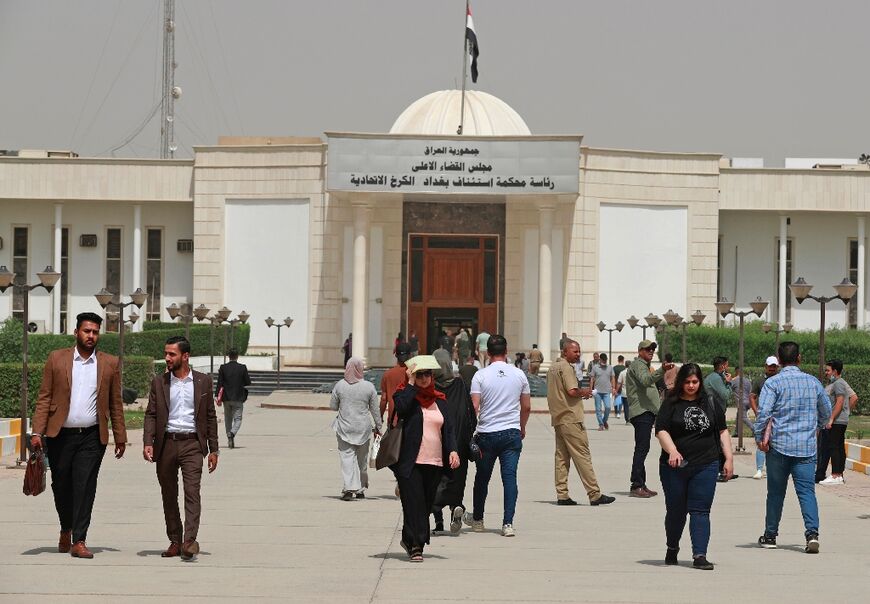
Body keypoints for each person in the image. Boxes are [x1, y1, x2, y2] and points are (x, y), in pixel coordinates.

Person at [30, 312, 127, 559]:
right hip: (59, 435)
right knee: (61, 485)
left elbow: (115, 403)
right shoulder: (57, 359)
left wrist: (120, 436)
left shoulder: (109, 363)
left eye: (95, 332)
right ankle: (66, 528)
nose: (91, 336)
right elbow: (45, 397)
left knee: (85, 486)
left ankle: (79, 539)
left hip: (92, 438)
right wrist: (37, 432)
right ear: (76, 333)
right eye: (87, 331)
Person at [143, 335, 219, 560]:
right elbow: (151, 413)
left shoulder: (203, 381)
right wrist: (148, 441)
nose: (167, 358)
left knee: (192, 492)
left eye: (171, 354)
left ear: (185, 356)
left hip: (192, 444)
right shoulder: (159, 382)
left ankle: (189, 541)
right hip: (166, 443)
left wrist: (213, 449)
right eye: (166, 353)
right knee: (168, 493)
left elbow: (210, 416)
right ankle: (174, 540)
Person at [755, 341, 831, 554]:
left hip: (779, 447)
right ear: (799, 358)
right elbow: (826, 412)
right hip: (806, 448)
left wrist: (760, 437)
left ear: (778, 360)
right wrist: (814, 428)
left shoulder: (773, 383)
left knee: (776, 493)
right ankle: (812, 534)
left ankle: (770, 535)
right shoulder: (813, 382)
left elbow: (764, 413)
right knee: (807, 492)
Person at [655, 363, 732, 570]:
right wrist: (672, 450)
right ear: (681, 382)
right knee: (676, 511)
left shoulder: (710, 402)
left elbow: (723, 431)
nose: (691, 386)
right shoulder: (670, 402)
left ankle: (699, 555)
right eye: (687, 382)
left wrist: (729, 458)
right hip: (674, 467)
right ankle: (672, 547)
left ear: (700, 382)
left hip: (706, 464)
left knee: (700, 510)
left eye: (695, 382)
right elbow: (661, 430)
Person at [390, 355, 459, 562]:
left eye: (427, 374)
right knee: (413, 504)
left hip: (435, 461)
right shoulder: (405, 395)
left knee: (426, 505)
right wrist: (410, 383)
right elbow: (400, 408)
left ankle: (409, 537)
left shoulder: (440, 399)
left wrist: (453, 450)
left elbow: (449, 429)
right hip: (410, 461)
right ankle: (416, 546)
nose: (424, 378)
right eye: (419, 374)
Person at [467, 335, 531, 537]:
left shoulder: (480, 376)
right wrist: (521, 427)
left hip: (487, 433)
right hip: (511, 432)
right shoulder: (519, 374)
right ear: (506, 351)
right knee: (510, 477)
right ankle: (508, 523)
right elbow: (526, 406)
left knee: (482, 478)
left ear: (487, 353)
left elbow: (474, 407)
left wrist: (468, 432)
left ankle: (478, 520)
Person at [546, 339, 616, 506]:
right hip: (571, 418)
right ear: (565, 352)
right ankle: (594, 493)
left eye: (579, 351)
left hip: (559, 418)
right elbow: (572, 390)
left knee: (562, 457)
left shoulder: (552, 368)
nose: (578, 354)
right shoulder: (566, 367)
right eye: (575, 351)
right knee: (582, 455)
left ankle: (562, 495)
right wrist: (585, 392)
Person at [430, 349, 477, 534]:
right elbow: (470, 414)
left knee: (436, 481)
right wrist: (470, 434)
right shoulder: (460, 384)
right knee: (457, 479)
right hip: (459, 443)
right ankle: (456, 507)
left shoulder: (431, 387)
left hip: (437, 443)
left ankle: (439, 523)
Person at [624, 340, 672, 498]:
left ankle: (641, 484)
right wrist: (661, 370)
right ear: (640, 351)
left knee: (642, 449)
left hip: (646, 412)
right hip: (642, 412)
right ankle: (636, 484)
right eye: (647, 349)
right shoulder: (639, 365)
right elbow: (645, 381)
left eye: (652, 349)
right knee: (641, 449)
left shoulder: (643, 365)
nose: (651, 351)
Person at [330, 357, 382, 500]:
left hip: (344, 428)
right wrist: (379, 426)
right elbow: (375, 410)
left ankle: (349, 488)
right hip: (363, 429)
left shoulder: (339, 385)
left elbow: (333, 406)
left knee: (347, 458)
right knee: (362, 460)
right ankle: (360, 489)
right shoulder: (369, 387)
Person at [816, 359, 856, 485]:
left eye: (828, 370)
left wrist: (832, 418)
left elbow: (839, 402)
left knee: (834, 447)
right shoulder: (837, 383)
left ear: (835, 371)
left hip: (837, 421)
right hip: (838, 420)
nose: (826, 373)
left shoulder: (839, 383)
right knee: (837, 446)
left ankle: (836, 475)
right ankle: (837, 475)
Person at [704, 356, 734, 482]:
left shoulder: (713, 377)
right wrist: (728, 382)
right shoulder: (716, 378)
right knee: (719, 441)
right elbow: (726, 395)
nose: (727, 367)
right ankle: (720, 470)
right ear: (722, 366)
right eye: (726, 365)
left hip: (715, 412)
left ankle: (722, 469)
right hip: (716, 413)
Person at [749, 356, 779, 479]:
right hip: (764, 415)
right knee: (761, 440)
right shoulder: (759, 381)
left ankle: (776, 469)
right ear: (765, 366)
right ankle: (760, 469)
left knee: (777, 442)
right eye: (770, 366)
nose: (772, 369)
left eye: (774, 366)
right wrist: (757, 412)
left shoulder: (780, 380)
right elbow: (752, 397)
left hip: (778, 416)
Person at [216, 349, 251, 449]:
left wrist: (216, 396)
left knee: (228, 419)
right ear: (237, 356)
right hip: (238, 397)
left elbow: (219, 383)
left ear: (228, 356)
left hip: (226, 397)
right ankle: (232, 433)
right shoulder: (242, 368)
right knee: (238, 418)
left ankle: (229, 438)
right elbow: (247, 382)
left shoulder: (223, 368)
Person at [381, 343, 412, 421]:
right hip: (411, 418)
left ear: (395, 355)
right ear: (410, 355)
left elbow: (384, 399)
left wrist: (380, 416)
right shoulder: (414, 373)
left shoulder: (387, 374)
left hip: (393, 419)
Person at [590, 352, 616, 431]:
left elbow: (613, 378)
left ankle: (604, 421)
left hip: (607, 391)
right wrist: (590, 389)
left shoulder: (610, 367)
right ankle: (601, 424)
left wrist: (613, 388)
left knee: (608, 407)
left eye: (605, 361)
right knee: (598, 409)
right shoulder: (595, 367)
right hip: (597, 391)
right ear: (600, 360)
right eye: (603, 360)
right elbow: (592, 379)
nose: (604, 362)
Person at [730, 365, 753, 437]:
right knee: (738, 416)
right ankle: (737, 432)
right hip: (748, 401)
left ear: (736, 371)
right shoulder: (748, 381)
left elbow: (728, 389)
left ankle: (755, 429)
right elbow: (751, 391)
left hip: (741, 402)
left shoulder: (734, 380)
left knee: (743, 418)